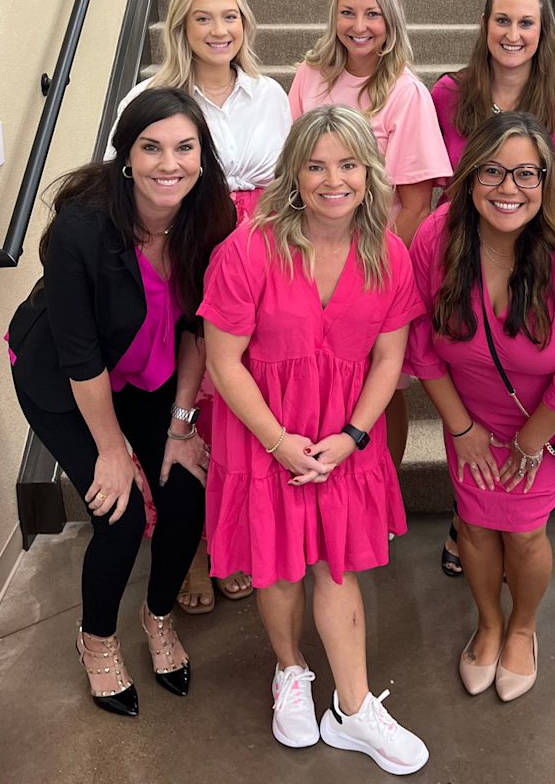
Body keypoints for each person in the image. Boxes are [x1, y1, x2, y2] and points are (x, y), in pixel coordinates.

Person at [199, 105, 428, 775]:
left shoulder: (388, 253)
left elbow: (389, 359)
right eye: (317, 165)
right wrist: (279, 442)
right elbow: (224, 363)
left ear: (369, 172)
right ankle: (290, 669)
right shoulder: (247, 249)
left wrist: (352, 436)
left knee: (338, 563)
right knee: (277, 563)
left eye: (349, 165)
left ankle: (353, 708)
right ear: (294, 174)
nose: (334, 180)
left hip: (342, 435)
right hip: (265, 432)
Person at [7, 88, 235, 715]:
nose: (170, 164)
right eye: (151, 148)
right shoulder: (81, 229)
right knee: (122, 513)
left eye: (185, 148)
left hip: (148, 368)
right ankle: (97, 639)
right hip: (64, 380)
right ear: (127, 157)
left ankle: (157, 615)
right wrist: (113, 450)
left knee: (185, 488)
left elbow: (199, 327)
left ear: (202, 155)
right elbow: (80, 356)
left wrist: (181, 424)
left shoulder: (210, 217)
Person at [406, 111, 555, 701]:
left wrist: (533, 440)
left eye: (526, 173)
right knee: (475, 526)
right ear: (469, 176)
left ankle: (523, 629)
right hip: (468, 415)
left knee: (526, 533)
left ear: (547, 180)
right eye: (493, 171)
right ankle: (488, 625)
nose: (509, 188)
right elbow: (421, 344)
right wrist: (461, 430)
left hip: (544, 422)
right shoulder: (436, 238)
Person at [108, 0, 292, 612]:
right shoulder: (152, 95)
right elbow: (121, 181)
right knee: (184, 398)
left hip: (260, 251)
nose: (219, 30)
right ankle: (184, 549)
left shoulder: (271, 94)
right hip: (185, 247)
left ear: (245, 23)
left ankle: (225, 542)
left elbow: (288, 182)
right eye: (203, 18)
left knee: (238, 399)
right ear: (181, 26)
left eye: (229, 16)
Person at [430, 0, 555, 576]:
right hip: (461, 268)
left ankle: (511, 524)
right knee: (468, 400)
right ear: (485, 25)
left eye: (526, 22)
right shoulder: (448, 96)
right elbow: (434, 188)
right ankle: (468, 515)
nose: (513, 33)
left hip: (530, 276)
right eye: (502, 19)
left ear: (543, 31)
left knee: (524, 390)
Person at [288, 0, 451, 476]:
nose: (359, 26)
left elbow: (416, 204)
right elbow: (292, 172)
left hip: (373, 263)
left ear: (391, 19)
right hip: (310, 256)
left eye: (373, 13)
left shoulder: (406, 93)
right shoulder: (309, 77)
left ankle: (383, 490)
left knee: (384, 383)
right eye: (348, 12)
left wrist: (364, 270)